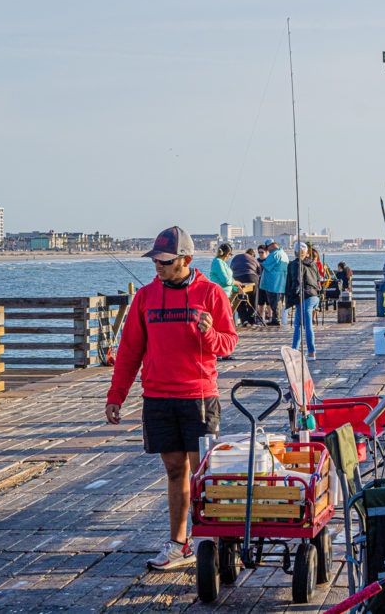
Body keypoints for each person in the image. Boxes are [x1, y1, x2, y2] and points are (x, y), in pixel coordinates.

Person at [105, 226, 238, 570]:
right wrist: (116, 395)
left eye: (165, 260)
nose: (158, 266)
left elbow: (229, 343)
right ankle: (179, 543)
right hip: (158, 397)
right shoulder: (146, 297)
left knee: (202, 473)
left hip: (199, 396)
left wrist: (209, 334)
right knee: (174, 469)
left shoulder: (211, 294)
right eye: (155, 260)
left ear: (186, 260)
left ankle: (210, 538)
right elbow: (129, 351)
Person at [286, 242, 321, 360]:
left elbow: (297, 281)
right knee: (299, 325)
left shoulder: (296, 264)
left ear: (295, 252)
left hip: (304, 296)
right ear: (306, 253)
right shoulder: (312, 263)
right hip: (314, 296)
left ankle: (311, 352)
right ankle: (295, 350)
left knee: (305, 325)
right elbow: (317, 279)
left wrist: (292, 296)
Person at [230, 247, 262, 326]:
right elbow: (259, 271)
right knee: (253, 299)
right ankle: (253, 320)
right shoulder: (253, 259)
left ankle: (244, 320)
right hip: (252, 277)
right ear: (253, 255)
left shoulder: (236, 258)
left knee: (239, 299)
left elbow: (230, 269)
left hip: (237, 278)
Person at [260, 239, 289, 326]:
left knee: (275, 302)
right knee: (278, 302)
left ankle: (276, 320)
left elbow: (266, 265)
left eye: (267, 247)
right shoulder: (283, 253)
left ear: (272, 245)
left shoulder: (275, 254)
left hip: (274, 283)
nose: (267, 250)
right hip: (280, 283)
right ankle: (276, 319)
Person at [256, 245, 270, 322]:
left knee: (268, 302)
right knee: (260, 302)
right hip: (259, 284)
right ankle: (261, 317)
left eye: (262, 252)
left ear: (266, 252)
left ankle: (270, 316)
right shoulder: (257, 261)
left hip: (268, 284)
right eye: (259, 252)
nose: (260, 254)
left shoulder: (269, 261)